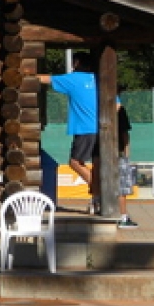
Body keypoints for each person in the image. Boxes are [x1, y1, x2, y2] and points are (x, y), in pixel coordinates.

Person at [39, 52, 99, 214]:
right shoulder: (100, 79)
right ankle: (98, 195)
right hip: (103, 130)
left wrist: (25, 75)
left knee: (75, 162)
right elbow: (117, 105)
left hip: (85, 129)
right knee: (97, 164)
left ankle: (98, 191)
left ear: (77, 63)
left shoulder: (74, 78)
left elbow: (45, 79)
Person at [116, 98, 138, 228]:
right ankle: (123, 217)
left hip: (100, 152)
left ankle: (95, 204)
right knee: (122, 187)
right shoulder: (120, 111)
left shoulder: (96, 108)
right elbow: (124, 134)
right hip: (118, 153)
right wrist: (126, 153)